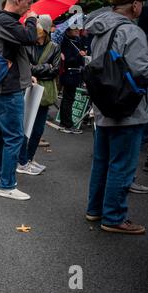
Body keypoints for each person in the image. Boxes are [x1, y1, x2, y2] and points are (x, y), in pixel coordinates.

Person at [85, 0, 148, 234]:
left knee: (102, 162)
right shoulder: (132, 31)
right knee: (122, 164)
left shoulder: (99, 30)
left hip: (104, 105)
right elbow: (141, 71)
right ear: (134, 4)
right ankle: (114, 217)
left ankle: (95, 209)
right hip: (127, 108)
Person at [0, 0, 37, 201]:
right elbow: (30, 37)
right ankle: (7, 184)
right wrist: (31, 20)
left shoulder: (3, 20)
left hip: (3, 85)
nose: (30, 5)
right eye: (28, 1)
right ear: (16, 0)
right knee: (14, 136)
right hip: (9, 87)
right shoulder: (6, 21)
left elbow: (16, 50)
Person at [17, 15, 61, 176]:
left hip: (45, 92)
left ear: (46, 29)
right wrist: (44, 67)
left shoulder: (55, 47)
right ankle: (21, 161)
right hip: (29, 88)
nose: (36, 29)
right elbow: (25, 67)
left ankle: (30, 158)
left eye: (39, 26)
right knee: (25, 126)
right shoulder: (27, 45)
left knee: (38, 129)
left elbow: (55, 70)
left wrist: (35, 68)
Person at [58, 26, 86, 134]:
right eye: (74, 28)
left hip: (75, 74)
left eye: (78, 28)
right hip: (68, 73)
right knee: (68, 99)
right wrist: (78, 55)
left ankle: (64, 122)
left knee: (68, 98)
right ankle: (67, 124)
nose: (77, 30)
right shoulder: (65, 42)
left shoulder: (77, 40)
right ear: (67, 30)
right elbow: (66, 60)